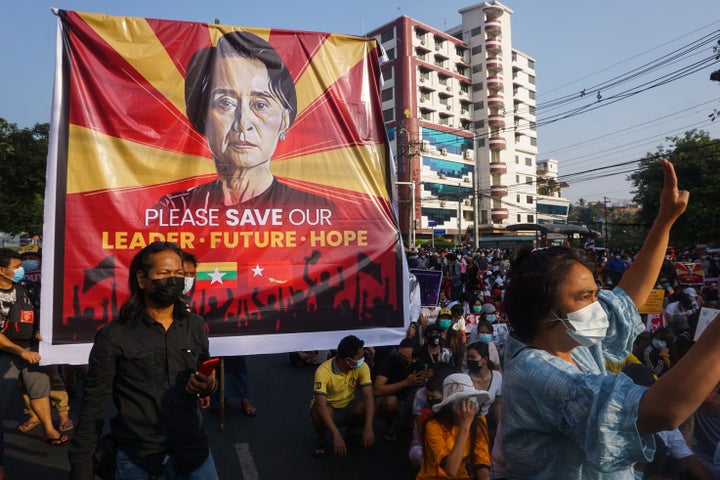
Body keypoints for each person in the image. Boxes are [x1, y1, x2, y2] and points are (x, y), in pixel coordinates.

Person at [501, 159, 720, 478]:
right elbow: (664, 410)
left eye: (595, 292)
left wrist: (664, 221)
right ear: (545, 312)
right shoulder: (535, 373)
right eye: (584, 297)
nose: (598, 304)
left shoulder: (572, 343)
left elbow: (626, 298)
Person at [68, 242, 218, 479]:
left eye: (179, 273)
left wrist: (207, 385)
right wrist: (81, 465)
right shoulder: (114, 335)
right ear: (142, 279)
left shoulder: (196, 325)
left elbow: (205, 375)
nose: (174, 280)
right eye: (164, 273)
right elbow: (94, 404)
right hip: (139, 460)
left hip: (195, 454)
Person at [155, 30, 333, 212]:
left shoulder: (314, 211)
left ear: (284, 121)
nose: (243, 123)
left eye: (260, 105)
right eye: (225, 102)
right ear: (203, 118)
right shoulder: (174, 210)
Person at [0, 248, 67, 448]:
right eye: (17, 267)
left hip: (32, 350)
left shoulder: (27, 288)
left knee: (39, 390)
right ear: (1, 270)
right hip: (6, 353)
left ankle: (49, 429)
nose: (21, 270)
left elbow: (40, 311)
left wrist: (40, 330)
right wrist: (21, 352)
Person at [416, 373, 491, 480]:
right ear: (451, 405)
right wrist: (465, 426)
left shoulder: (478, 422)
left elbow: (481, 460)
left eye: (471, 398)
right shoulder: (433, 426)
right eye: (463, 400)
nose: (469, 404)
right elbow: (450, 470)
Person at [310, 335, 375, 457]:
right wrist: (336, 435)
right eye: (360, 357)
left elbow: (368, 395)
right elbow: (321, 404)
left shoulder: (363, 367)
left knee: (366, 406)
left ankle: (351, 432)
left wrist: (369, 426)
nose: (363, 359)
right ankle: (322, 437)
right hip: (329, 408)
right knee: (319, 414)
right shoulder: (323, 371)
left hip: (348, 405)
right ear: (348, 360)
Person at [373, 337, 427, 441]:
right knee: (390, 402)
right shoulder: (390, 360)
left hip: (409, 399)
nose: (400, 358)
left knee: (421, 393)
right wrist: (405, 383)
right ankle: (391, 425)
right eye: (399, 354)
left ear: (414, 359)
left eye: (404, 357)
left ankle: (410, 420)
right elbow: (377, 390)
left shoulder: (420, 364)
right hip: (389, 398)